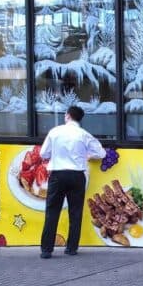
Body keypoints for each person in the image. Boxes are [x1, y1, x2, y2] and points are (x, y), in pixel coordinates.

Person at [39, 106, 106, 259]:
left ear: (67, 115)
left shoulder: (55, 132)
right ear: (80, 118)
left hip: (57, 175)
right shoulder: (84, 134)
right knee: (75, 213)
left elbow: (44, 153)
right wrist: (87, 155)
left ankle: (46, 250)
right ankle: (71, 248)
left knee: (52, 212)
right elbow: (101, 153)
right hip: (77, 176)